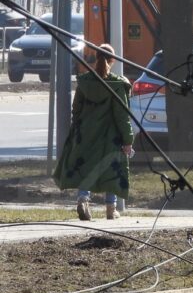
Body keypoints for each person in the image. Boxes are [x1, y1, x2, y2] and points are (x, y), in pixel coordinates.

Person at [54, 44, 134, 220]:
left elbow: (76, 110)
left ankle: (83, 199)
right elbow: (122, 116)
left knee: (86, 166)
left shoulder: (85, 83)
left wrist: (78, 129)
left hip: (86, 133)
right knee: (111, 168)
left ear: (95, 57)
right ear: (112, 60)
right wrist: (128, 139)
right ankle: (111, 209)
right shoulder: (117, 84)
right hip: (110, 136)